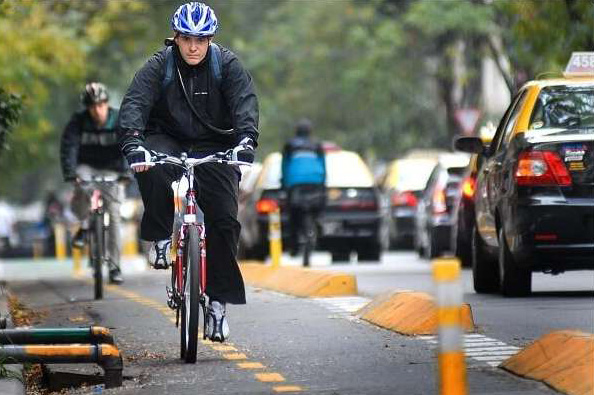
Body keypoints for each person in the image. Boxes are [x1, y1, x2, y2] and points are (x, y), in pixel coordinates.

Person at [117, 2, 258, 343]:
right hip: (167, 138)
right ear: (176, 38)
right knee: (149, 168)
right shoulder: (158, 66)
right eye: (186, 38)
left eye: (201, 39)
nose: (193, 46)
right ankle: (162, 235)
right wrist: (134, 143)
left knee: (225, 221)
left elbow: (245, 103)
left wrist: (246, 141)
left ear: (210, 39)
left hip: (216, 143)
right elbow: (135, 103)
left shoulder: (227, 65)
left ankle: (218, 304)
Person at [60, 82, 127, 284]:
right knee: (81, 190)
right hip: (86, 167)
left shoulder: (119, 119)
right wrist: (71, 173)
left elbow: (128, 145)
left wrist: (126, 173)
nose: (97, 110)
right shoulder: (78, 122)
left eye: (100, 105)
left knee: (114, 215)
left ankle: (115, 267)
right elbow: (69, 147)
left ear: (107, 103)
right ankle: (85, 221)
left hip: (113, 169)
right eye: (92, 106)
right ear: (87, 108)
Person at [281, 119, 327, 257]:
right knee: (318, 207)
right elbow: (323, 166)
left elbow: (284, 166)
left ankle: (294, 246)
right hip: (316, 181)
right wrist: (323, 183)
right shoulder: (317, 145)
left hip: (296, 183)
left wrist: (284, 184)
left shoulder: (289, 145)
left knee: (293, 213)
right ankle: (318, 223)